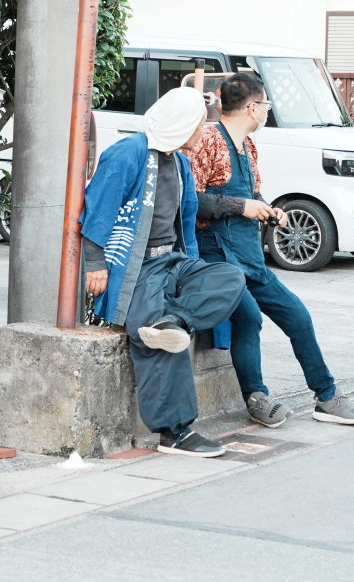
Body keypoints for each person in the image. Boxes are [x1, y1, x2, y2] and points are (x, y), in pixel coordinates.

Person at [185, 73, 354, 428]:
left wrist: (269, 209)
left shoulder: (249, 146)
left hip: (249, 254)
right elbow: (191, 200)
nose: (267, 110)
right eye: (266, 104)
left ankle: (326, 396)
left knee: (298, 317)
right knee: (249, 318)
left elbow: (251, 194)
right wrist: (243, 207)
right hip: (216, 255)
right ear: (252, 108)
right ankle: (256, 396)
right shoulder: (209, 140)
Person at [80, 87, 247, 457]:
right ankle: (175, 432)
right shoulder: (129, 153)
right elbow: (98, 209)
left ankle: (174, 321)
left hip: (171, 261)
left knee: (229, 278)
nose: (203, 131)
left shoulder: (180, 162)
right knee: (158, 340)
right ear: (181, 124)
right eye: (200, 124)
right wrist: (95, 264)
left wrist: (193, 273)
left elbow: (185, 225)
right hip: (135, 268)